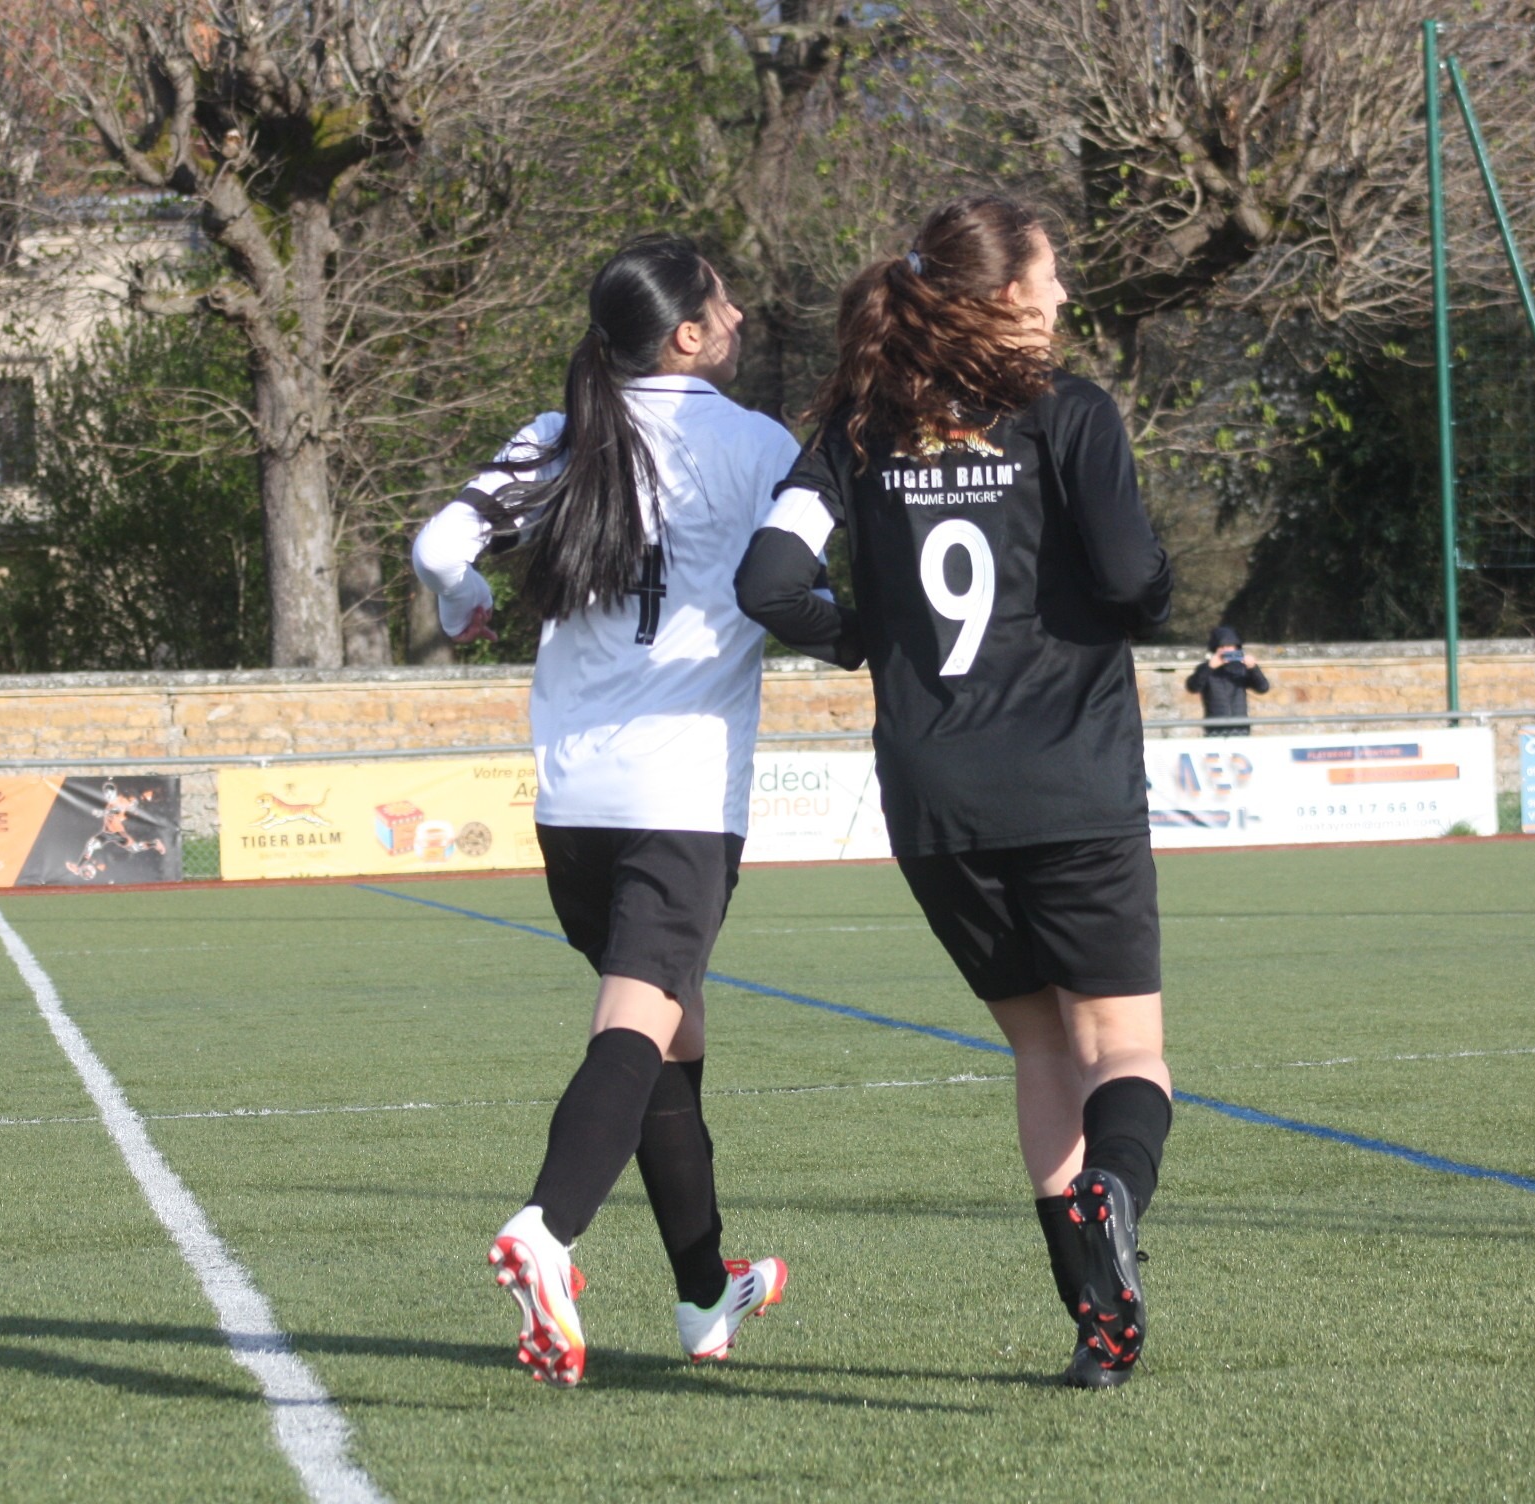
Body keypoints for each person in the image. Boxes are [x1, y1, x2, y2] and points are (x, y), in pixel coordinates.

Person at [732, 195, 1175, 1389]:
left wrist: (862, 636)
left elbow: (769, 582)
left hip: (936, 798)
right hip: (1072, 780)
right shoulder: (1067, 411)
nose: (1064, 293)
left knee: (1039, 1049)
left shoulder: (858, 428)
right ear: (1007, 295)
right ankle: (1112, 1194)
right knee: (1124, 1048)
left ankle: (1097, 1328)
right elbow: (1131, 576)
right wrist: (1149, 594)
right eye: (1052, 273)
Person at [411, 235, 797, 1388]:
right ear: (686, 334)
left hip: (573, 801)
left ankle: (702, 1291)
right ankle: (547, 1228)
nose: (738, 317)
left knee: (672, 1032)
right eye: (722, 303)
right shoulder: (758, 446)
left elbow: (439, 545)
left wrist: (463, 603)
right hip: (681, 797)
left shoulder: (559, 432)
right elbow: (808, 581)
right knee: (635, 1025)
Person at [1183, 625, 1270, 736]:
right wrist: (1209, 667)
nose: (1225, 650)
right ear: (1215, 649)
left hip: (1240, 727)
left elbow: (1263, 688)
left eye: (1229, 646)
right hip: (1215, 728)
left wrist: (1253, 668)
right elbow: (1193, 687)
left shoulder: (1242, 668)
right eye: (1221, 647)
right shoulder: (1205, 668)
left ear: (1236, 648)